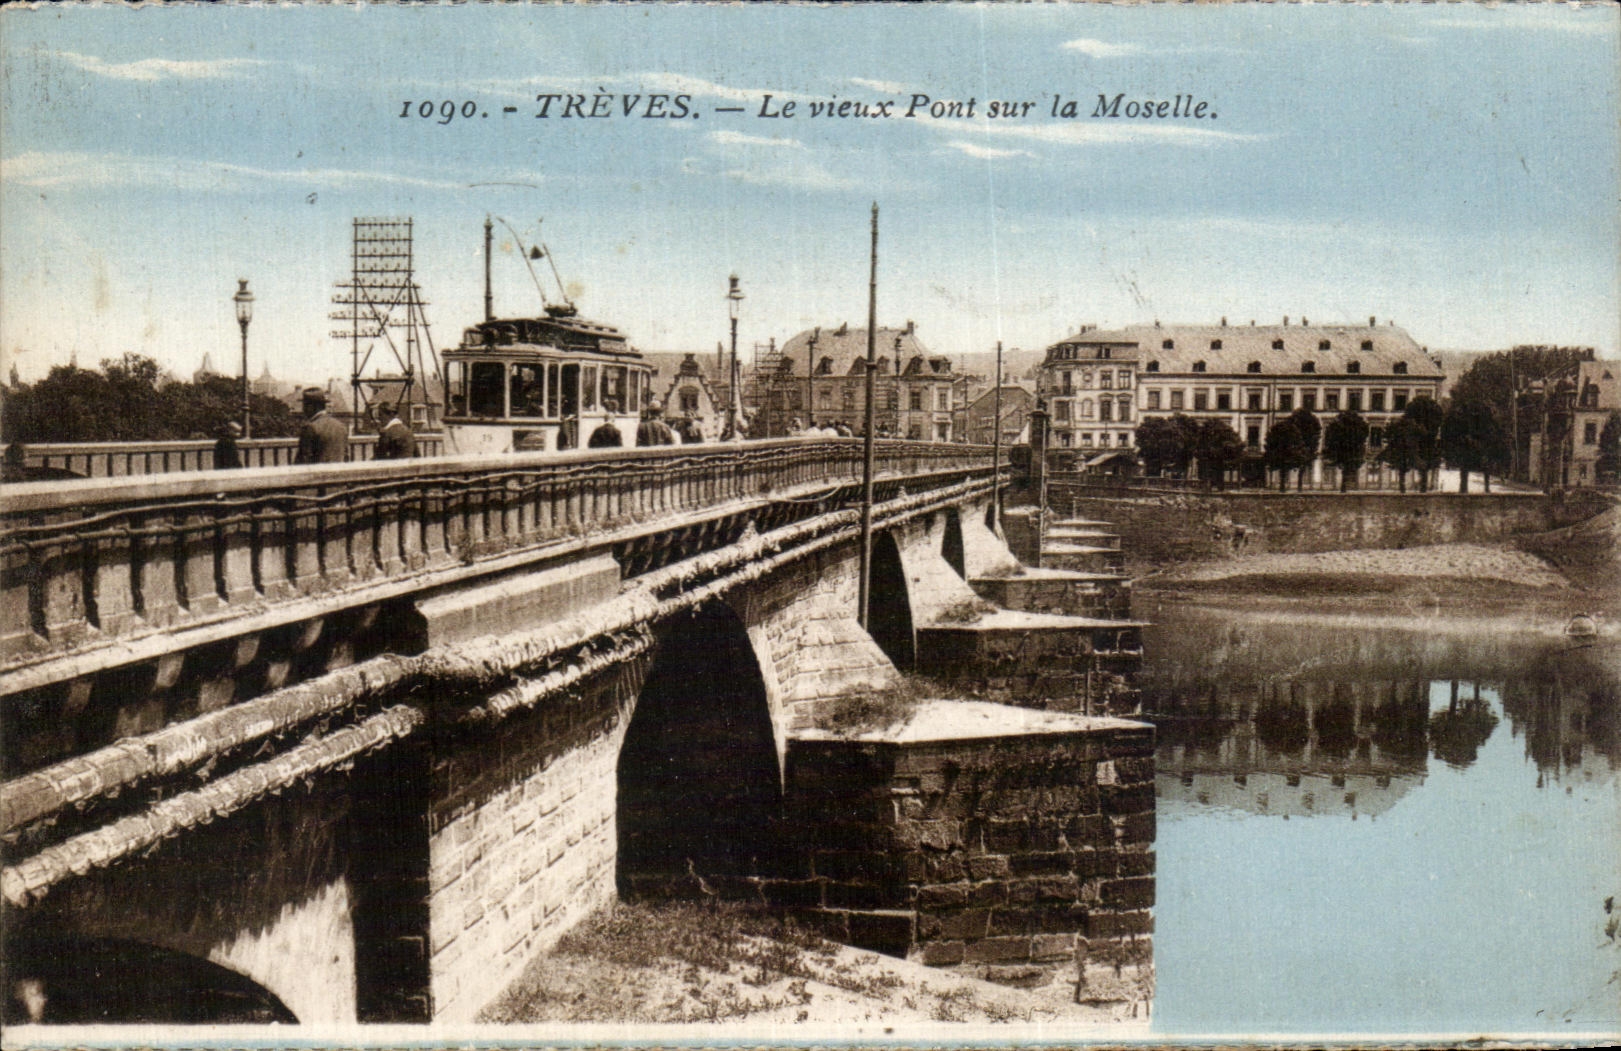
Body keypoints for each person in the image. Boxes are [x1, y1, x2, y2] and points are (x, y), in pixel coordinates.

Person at [293, 387, 348, 464]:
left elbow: (302, 461)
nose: (303, 410)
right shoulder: (341, 427)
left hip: (317, 474)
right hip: (338, 474)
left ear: (312, 407)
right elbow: (346, 457)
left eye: (305, 406)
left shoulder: (310, 428)